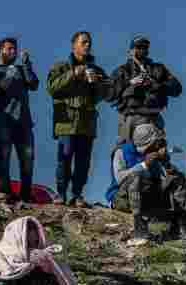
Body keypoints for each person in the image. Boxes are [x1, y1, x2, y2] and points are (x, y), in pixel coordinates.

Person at [46, 31, 110, 207]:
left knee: (83, 161)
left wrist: (99, 83)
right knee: (64, 158)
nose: (87, 45)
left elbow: (106, 94)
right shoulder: (61, 67)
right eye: (83, 42)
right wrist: (73, 73)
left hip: (87, 121)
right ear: (74, 45)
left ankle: (77, 194)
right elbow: (52, 88)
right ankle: (60, 194)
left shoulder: (96, 69)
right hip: (66, 121)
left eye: (89, 42)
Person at [105, 124, 186, 244]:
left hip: (145, 198)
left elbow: (160, 180)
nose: (156, 146)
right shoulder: (121, 152)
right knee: (136, 176)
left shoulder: (153, 154)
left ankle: (180, 224)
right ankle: (139, 226)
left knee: (176, 177)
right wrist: (144, 165)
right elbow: (119, 178)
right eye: (154, 143)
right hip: (122, 199)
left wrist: (166, 165)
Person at [0, 37, 39, 207]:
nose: (13, 52)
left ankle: (26, 195)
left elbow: (34, 84)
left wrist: (27, 65)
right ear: (0, 51)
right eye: (9, 49)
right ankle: (5, 194)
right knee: (3, 159)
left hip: (23, 122)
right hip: (2, 122)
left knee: (28, 159)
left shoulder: (20, 69)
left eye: (14, 49)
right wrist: (3, 83)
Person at [107, 35, 182, 143]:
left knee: (155, 151)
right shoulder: (122, 70)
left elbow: (177, 88)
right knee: (128, 151)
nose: (142, 50)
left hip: (154, 116)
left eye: (145, 47)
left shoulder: (158, 68)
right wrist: (130, 83)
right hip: (131, 116)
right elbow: (109, 94)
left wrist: (155, 85)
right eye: (138, 47)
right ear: (131, 50)